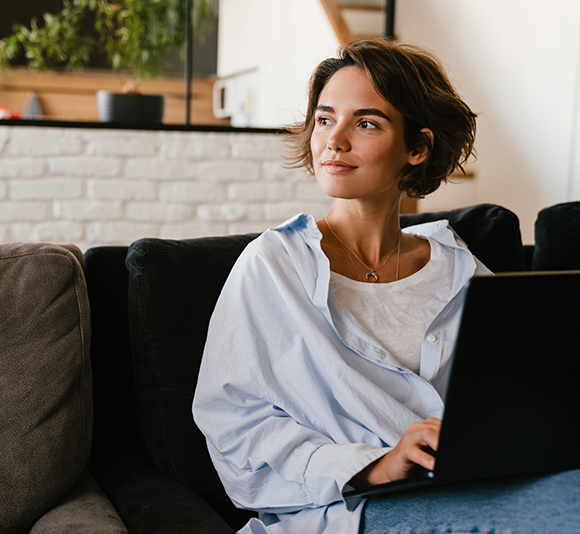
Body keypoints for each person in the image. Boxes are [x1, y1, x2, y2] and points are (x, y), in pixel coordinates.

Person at [191, 38, 579, 534]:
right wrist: (373, 465)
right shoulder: (273, 266)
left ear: (417, 148)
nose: (334, 140)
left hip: (472, 488)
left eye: (366, 123)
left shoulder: (460, 269)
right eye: (326, 118)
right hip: (354, 510)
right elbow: (234, 427)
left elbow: (518, 396)